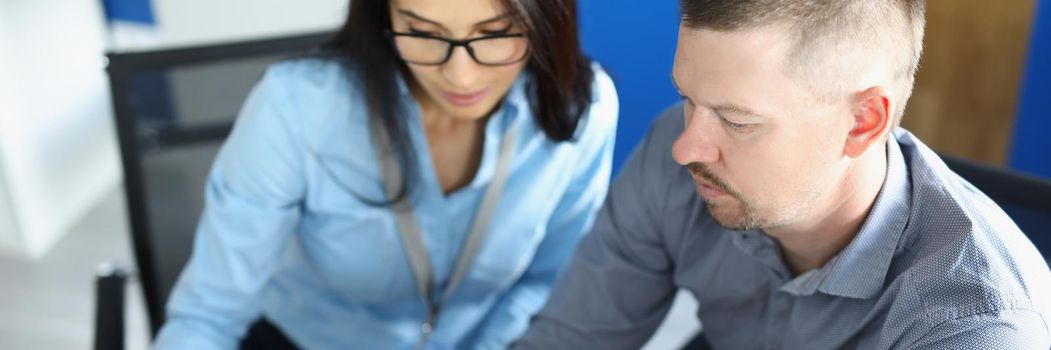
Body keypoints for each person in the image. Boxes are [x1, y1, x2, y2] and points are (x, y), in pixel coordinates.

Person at [514, 1, 1051, 349]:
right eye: (687, 99)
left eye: (737, 121)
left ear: (863, 122)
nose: (686, 148)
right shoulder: (678, 158)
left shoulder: (976, 330)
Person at [152, 0, 618, 348]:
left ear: (545, 18)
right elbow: (208, 316)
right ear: (385, 17)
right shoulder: (296, 108)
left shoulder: (585, 109)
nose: (462, 76)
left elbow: (551, 282)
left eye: (495, 33)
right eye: (424, 32)